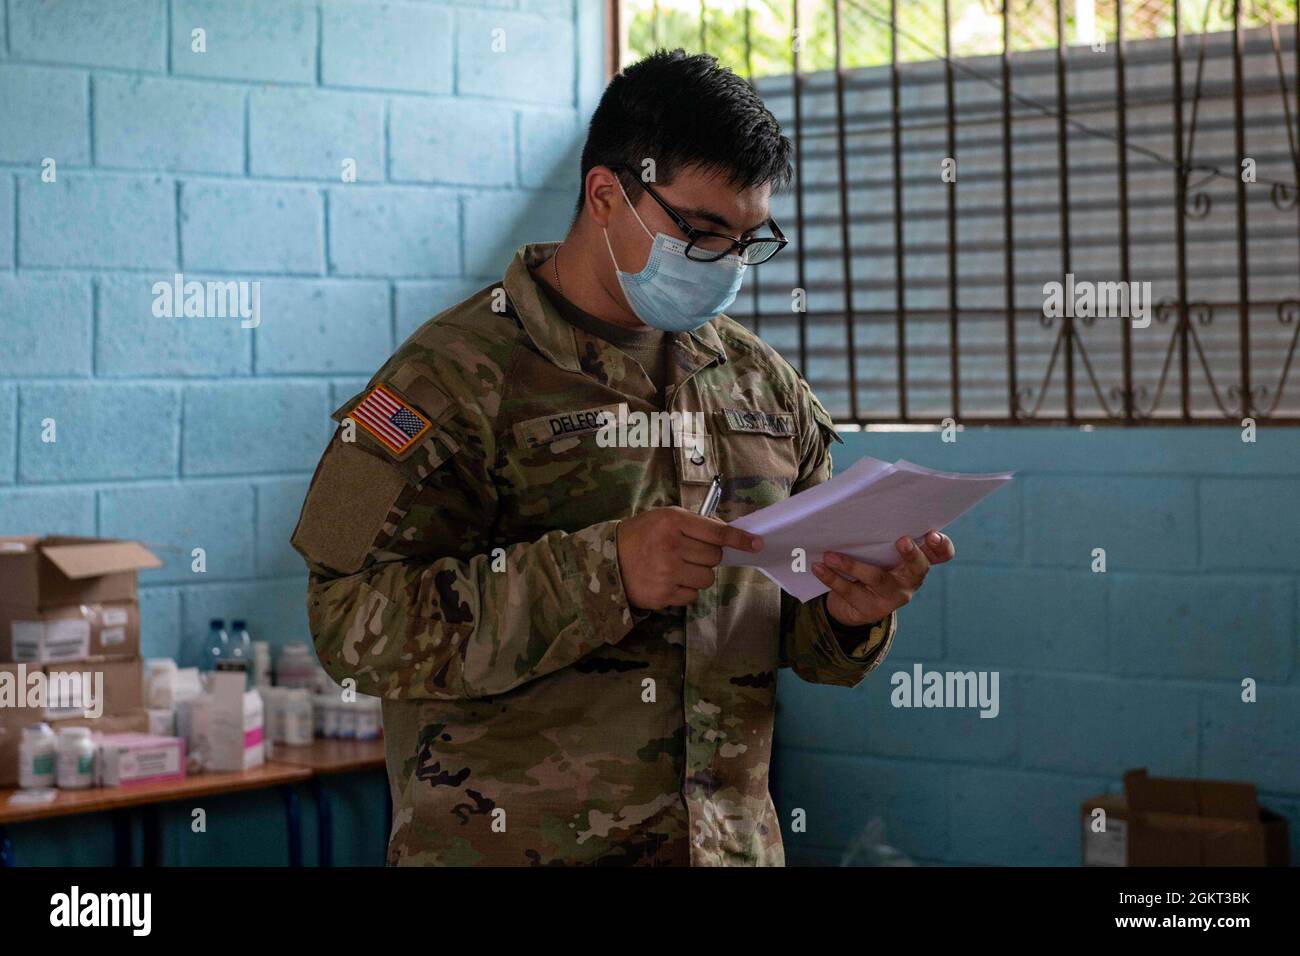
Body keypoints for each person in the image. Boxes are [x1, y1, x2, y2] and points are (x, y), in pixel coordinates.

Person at [290, 49, 955, 866]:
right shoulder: (441, 381)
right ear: (607, 195)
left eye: (750, 240)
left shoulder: (762, 386)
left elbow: (793, 634)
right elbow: (347, 623)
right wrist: (604, 572)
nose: (728, 265)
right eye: (703, 233)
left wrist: (853, 613)